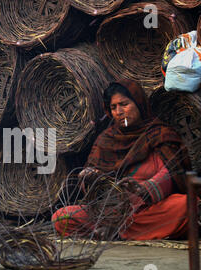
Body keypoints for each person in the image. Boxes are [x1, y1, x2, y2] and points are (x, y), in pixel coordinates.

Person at [52, 79, 192, 240]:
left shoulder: (160, 134)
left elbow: (173, 173)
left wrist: (143, 189)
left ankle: (118, 232)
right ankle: (120, 230)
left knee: (187, 205)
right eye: (113, 107)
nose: (119, 112)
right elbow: (90, 189)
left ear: (138, 104)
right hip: (108, 213)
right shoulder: (106, 139)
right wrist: (91, 178)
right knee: (61, 217)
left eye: (124, 104)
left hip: (147, 210)